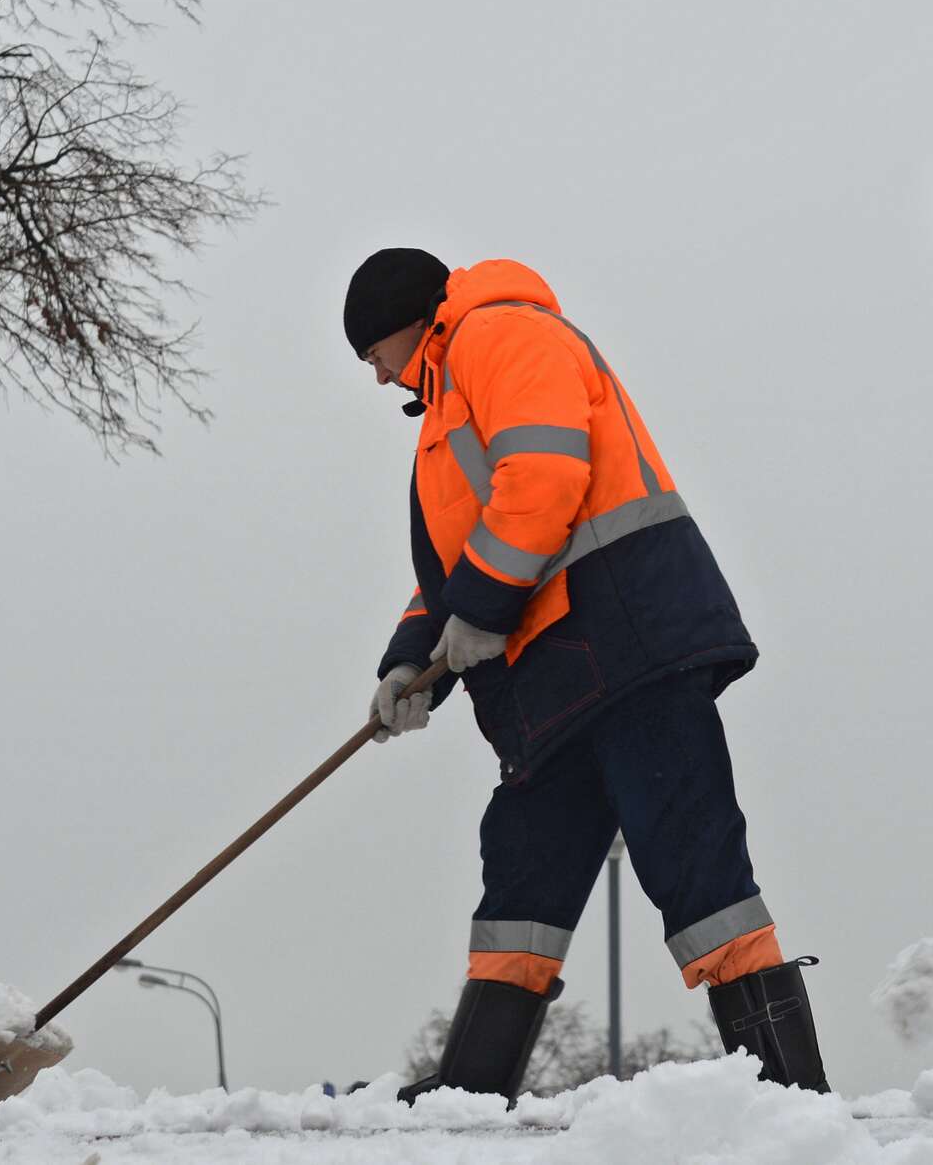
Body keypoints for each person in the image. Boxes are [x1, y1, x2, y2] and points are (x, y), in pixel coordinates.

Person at [344, 248, 829, 1101]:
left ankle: (789, 1099)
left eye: (373, 356)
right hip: (557, 674)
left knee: (690, 855)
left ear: (405, 323)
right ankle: (470, 1094)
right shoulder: (448, 400)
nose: (380, 378)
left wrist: (484, 608)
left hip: (628, 644)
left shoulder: (500, 335)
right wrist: (406, 665)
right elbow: (456, 567)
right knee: (525, 868)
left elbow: (545, 477)